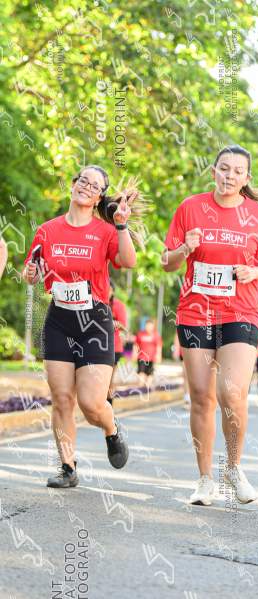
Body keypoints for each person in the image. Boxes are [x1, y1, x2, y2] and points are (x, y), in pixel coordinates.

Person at [162, 144, 258, 506]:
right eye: (224, 168)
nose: (230, 175)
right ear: (213, 171)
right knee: (202, 397)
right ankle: (205, 480)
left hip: (240, 312)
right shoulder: (190, 207)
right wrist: (185, 250)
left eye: (237, 171)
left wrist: (254, 272)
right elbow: (167, 261)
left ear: (246, 178)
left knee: (231, 393)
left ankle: (233, 467)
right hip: (195, 313)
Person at [23, 165, 138, 488]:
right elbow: (31, 271)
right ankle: (68, 467)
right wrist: (31, 274)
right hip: (59, 319)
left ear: (99, 197)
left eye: (95, 185)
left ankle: (111, 428)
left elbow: (128, 261)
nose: (86, 186)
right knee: (62, 398)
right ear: (73, 185)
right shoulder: (47, 230)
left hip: (94, 323)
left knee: (90, 403)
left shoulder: (105, 231)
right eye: (83, 180)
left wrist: (121, 225)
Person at [107, 280, 128, 407]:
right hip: (97, 346)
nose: (107, 292)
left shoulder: (118, 306)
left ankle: (109, 407)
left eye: (109, 289)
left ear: (113, 291)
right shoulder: (97, 304)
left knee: (108, 379)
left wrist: (116, 324)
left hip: (114, 347)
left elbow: (124, 327)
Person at [135, 318, 162, 388]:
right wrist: (134, 354)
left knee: (150, 375)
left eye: (150, 325)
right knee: (141, 373)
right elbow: (136, 345)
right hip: (142, 358)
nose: (149, 327)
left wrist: (158, 355)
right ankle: (141, 387)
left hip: (151, 359)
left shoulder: (156, 335)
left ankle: (147, 388)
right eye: (147, 325)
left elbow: (159, 346)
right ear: (145, 326)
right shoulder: (140, 334)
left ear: (153, 326)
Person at [173, 330, 190, 407]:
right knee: (186, 375)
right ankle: (187, 397)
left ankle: (195, 396)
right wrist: (176, 350)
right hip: (184, 350)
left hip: (199, 350)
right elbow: (177, 334)